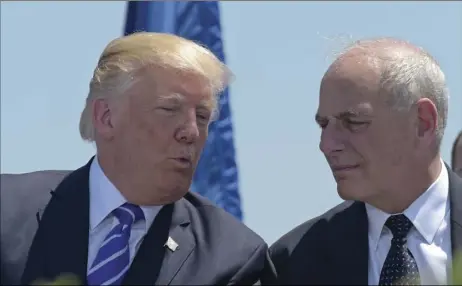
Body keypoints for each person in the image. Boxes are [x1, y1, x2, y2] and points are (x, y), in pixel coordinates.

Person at [0, 32, 276, 285]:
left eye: (202, 117)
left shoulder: (233, 257)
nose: (192, 132)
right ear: (107, 117)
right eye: (170, 108)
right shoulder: (7, 209)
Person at [269, 38, 462, 285]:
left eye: (354, 122)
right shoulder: (292, 262)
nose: (326, 145)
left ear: (422, 123)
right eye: (324, 124)